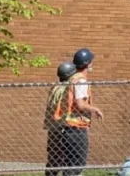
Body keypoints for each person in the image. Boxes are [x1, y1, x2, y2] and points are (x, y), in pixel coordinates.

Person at [62, 48, 104, 176]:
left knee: (70, 167)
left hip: (69, 127)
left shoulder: (72, 78)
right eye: (91, 61)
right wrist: (95, 109)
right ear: (87, 63)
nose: (92, 64)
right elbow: (80, 104)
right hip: (77, 129)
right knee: (77, 166)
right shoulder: (81, 80)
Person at [45, 62, 76, 176]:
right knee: (64, 158)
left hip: (53, 127)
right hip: (62, 127)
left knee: (54, 158)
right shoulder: (65, 90)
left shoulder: (55, 87)